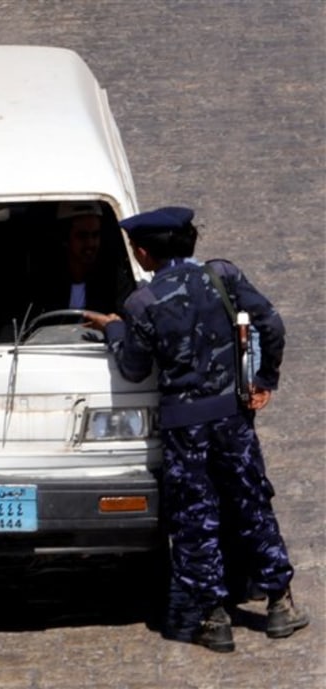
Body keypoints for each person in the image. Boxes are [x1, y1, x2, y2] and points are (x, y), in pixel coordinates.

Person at [84, 206, 309, 653]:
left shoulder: (141, 304)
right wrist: (265, 380)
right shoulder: (222, 276)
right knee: (251, 503)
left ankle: (214, 617)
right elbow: (271, 323)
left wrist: (114, 331)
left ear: (145, 253)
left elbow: (133, 368)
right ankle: (279, 603)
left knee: (194, 518)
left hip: (185, 428)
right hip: (232, 417)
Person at [29, 201, 136, 317]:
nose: (90, 243)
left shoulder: (113, 278)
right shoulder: (44, 280)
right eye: (82, 236)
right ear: (65, 238)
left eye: (95, 235)